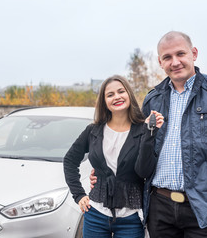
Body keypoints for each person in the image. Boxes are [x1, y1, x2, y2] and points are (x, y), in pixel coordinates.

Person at [91, 31, 207, 238]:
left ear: (194, 53)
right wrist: (104, 172)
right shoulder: (153, 99)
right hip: (160, 209)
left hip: (204, 207)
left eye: (180, 54)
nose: (174, 62)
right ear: (160, 62)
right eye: (167, 57)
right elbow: (138, 152)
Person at [63, 75, 164, 238]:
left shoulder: (142, 130)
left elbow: (144, 171)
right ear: (104, 102)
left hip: (131, 219)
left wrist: (149, 134)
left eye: (121, 91)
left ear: (129, 95)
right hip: (95, 214)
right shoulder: (93, 130)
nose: (116, 97)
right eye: (110, 95)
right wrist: (79, 194)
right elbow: (69, 160)